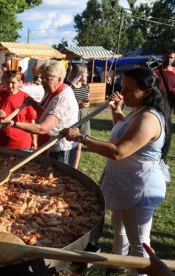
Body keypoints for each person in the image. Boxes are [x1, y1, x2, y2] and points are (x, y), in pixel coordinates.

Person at [61, 68, 172, 276]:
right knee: (119, 229)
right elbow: (123, 131)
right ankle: (117, 265)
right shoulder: (138, 109)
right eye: (123, 87)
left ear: (147, 92)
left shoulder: (149, 118)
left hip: (141, 188)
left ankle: (138, 273)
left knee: (140, 243)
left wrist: (81, 138)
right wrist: (116, 110)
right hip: (126, 182)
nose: (123, 92)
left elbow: (119, 151)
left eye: (129, 90)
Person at [1, 60, 79, 165]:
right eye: (42, 78)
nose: (43, 82)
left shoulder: (63, 98)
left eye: (47, 79)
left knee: (55, 179)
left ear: (59, 79)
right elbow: (45, 111)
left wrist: (14, 123)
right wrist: (33, 103)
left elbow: (42, 128)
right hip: (47, 145)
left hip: (59, 149)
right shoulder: (51, 91)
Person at [0, 71, 37, 150]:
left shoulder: (26, 98)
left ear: (20, 83)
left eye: (13, 83)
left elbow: (31, 120)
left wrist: (34, 139)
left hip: (21, 143)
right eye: (7, 82)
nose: (9, 85)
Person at [64, 63, 90, 169]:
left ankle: (75, 167)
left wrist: (86, 103)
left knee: (80, 142)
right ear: (79, 74)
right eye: (85, 73)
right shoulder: (68, 86)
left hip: (83, 114)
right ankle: (66, 164)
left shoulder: (86, 86)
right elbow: (65, 102)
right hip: (71, 115)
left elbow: (88, 99)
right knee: (70, 140)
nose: (87, 75)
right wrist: (77, 105)